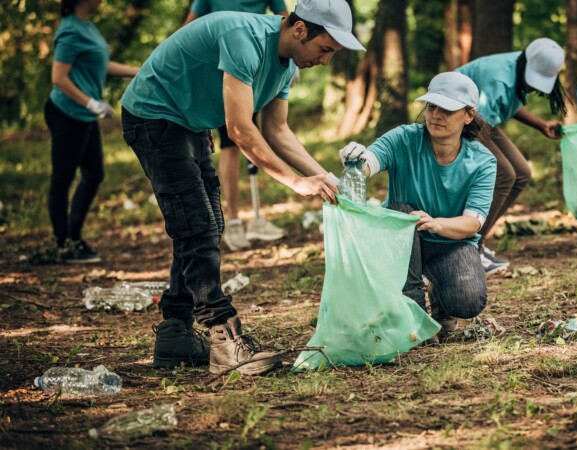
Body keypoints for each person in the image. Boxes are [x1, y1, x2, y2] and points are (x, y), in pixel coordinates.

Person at [120, 0, 364, 375]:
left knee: (207, 224)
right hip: (154, 113)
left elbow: (277, 130)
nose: (326, 60)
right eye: (326, 49)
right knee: (196, 224)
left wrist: (328, 180)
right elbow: (238, 129)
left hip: (191, 120)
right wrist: (295, 182)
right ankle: (222, 336)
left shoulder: (286, 65)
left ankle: (174, 334)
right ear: (300, 29)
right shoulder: (244, 38)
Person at [338, 72, 496, 340]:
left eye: (447, 109)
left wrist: (436, 223)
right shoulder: (403, 138)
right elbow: (370, 162)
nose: (436, 115)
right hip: (399, 241)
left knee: (469, 300)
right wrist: (356, 159)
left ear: (468, 115)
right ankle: (412, 315)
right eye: (432, 106)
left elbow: (472, 223)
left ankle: (442, 303)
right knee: (401, 211)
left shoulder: (483, 162)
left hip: (449, 243)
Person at [181, 0, 291, 251]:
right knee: (233, 143)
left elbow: (287, 20)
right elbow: (189, 26)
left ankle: (256, 217)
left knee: (255, 137)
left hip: (258, 67)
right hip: (222, 71)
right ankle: (233, 221)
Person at [456, 38, 567, 275]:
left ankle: (477, 241)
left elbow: (508, 102)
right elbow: (476, 122)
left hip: (480, 117)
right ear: (526, 63)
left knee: (522, 172)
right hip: (456, 118)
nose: (536, 88)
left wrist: (540, 125)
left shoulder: (519, 66)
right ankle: (468, 247)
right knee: (504, 173)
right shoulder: (498, 77)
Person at [46, 0, 139, 263]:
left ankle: (74, 237)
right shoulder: (70, 31)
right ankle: (63, 244)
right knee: (62, 179)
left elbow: (102, 64)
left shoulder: (87, 26)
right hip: (67, 113)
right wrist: (90, 102)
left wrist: (139, 71)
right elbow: (58, 77)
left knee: (94, 173)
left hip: (84, 116)